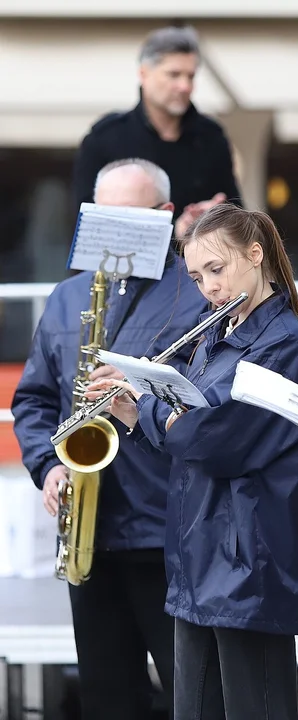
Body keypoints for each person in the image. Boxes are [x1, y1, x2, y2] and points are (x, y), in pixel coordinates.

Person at [88, 202, 298, 720]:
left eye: (216, 270)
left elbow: (217, 442)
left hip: (250, 562)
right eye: (197, 277)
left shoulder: (287, 345)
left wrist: (152, 409)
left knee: (254, 709)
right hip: (199, 554)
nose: (208, 288)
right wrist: (135, 409)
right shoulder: (212, 338)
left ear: (255, 254)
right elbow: (186, 435)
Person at [11, 158, 209, 720]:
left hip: (168, 532)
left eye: (133, 216)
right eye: (104, 217)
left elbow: (208, 406)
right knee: (107, 696)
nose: (116, 231)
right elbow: (33, 400)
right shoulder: (67, 297)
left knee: (190, 694)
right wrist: (49, 465)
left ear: (167, 216)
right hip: (89, 535)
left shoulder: (197, 298)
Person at [72, 25, 241, 234]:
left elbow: (237, 216)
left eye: (190, 76)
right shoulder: (105, 138)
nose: (185, 86)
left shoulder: (212, 137)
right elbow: (87, 228)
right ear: (144, 74)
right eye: (174, 74)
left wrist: (218, 216)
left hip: (197, 265)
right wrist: (175, 232)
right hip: (122, 265)